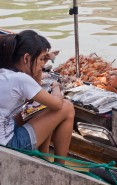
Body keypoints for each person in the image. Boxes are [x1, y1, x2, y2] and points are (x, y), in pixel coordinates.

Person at [0, 30, 75, 164]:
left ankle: (44, 157)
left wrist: (39, 65)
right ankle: (61, 166)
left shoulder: (6, 72)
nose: (42, 64)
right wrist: (56, 87)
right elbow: (57, 104)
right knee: (67, 107)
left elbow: (32, 97)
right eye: (41, 59)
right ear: (26, 58)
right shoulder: (20, 79)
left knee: (40, 108)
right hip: (9, 144)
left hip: (5, 130)